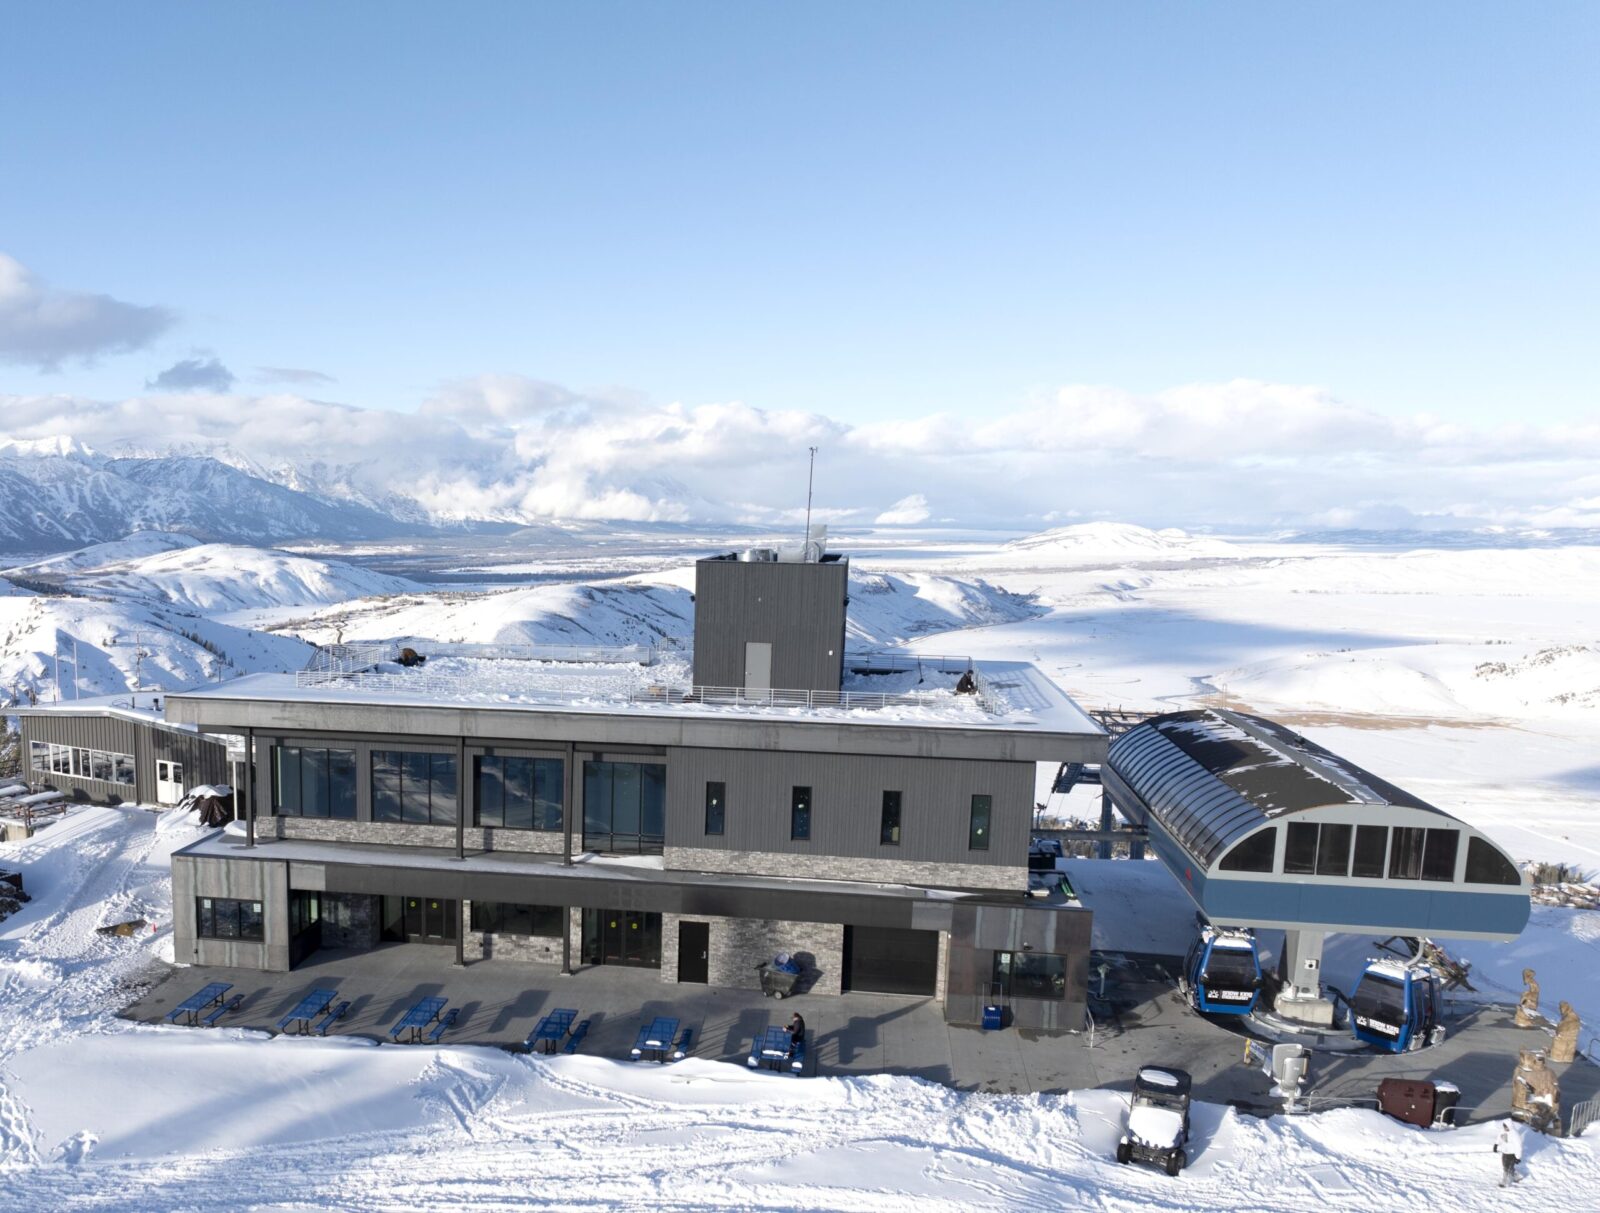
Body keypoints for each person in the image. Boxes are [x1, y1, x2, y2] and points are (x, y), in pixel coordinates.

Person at [1494, 1118, 1525, 1186]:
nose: (1505, 1128)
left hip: (1511, 1153)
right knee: (1505, 1165)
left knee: (1507, 1168)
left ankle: (1506, 1182)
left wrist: (1518, 1157)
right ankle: (1517, 1176)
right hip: (1505, 1152)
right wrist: (1496, 1144)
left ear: (1509, 1126)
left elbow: (1518, 1146)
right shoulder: (1503, 1131)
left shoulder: (1514, 1134)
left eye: (1506, 1126)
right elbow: (1500, 1137)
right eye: (1504, 1126)